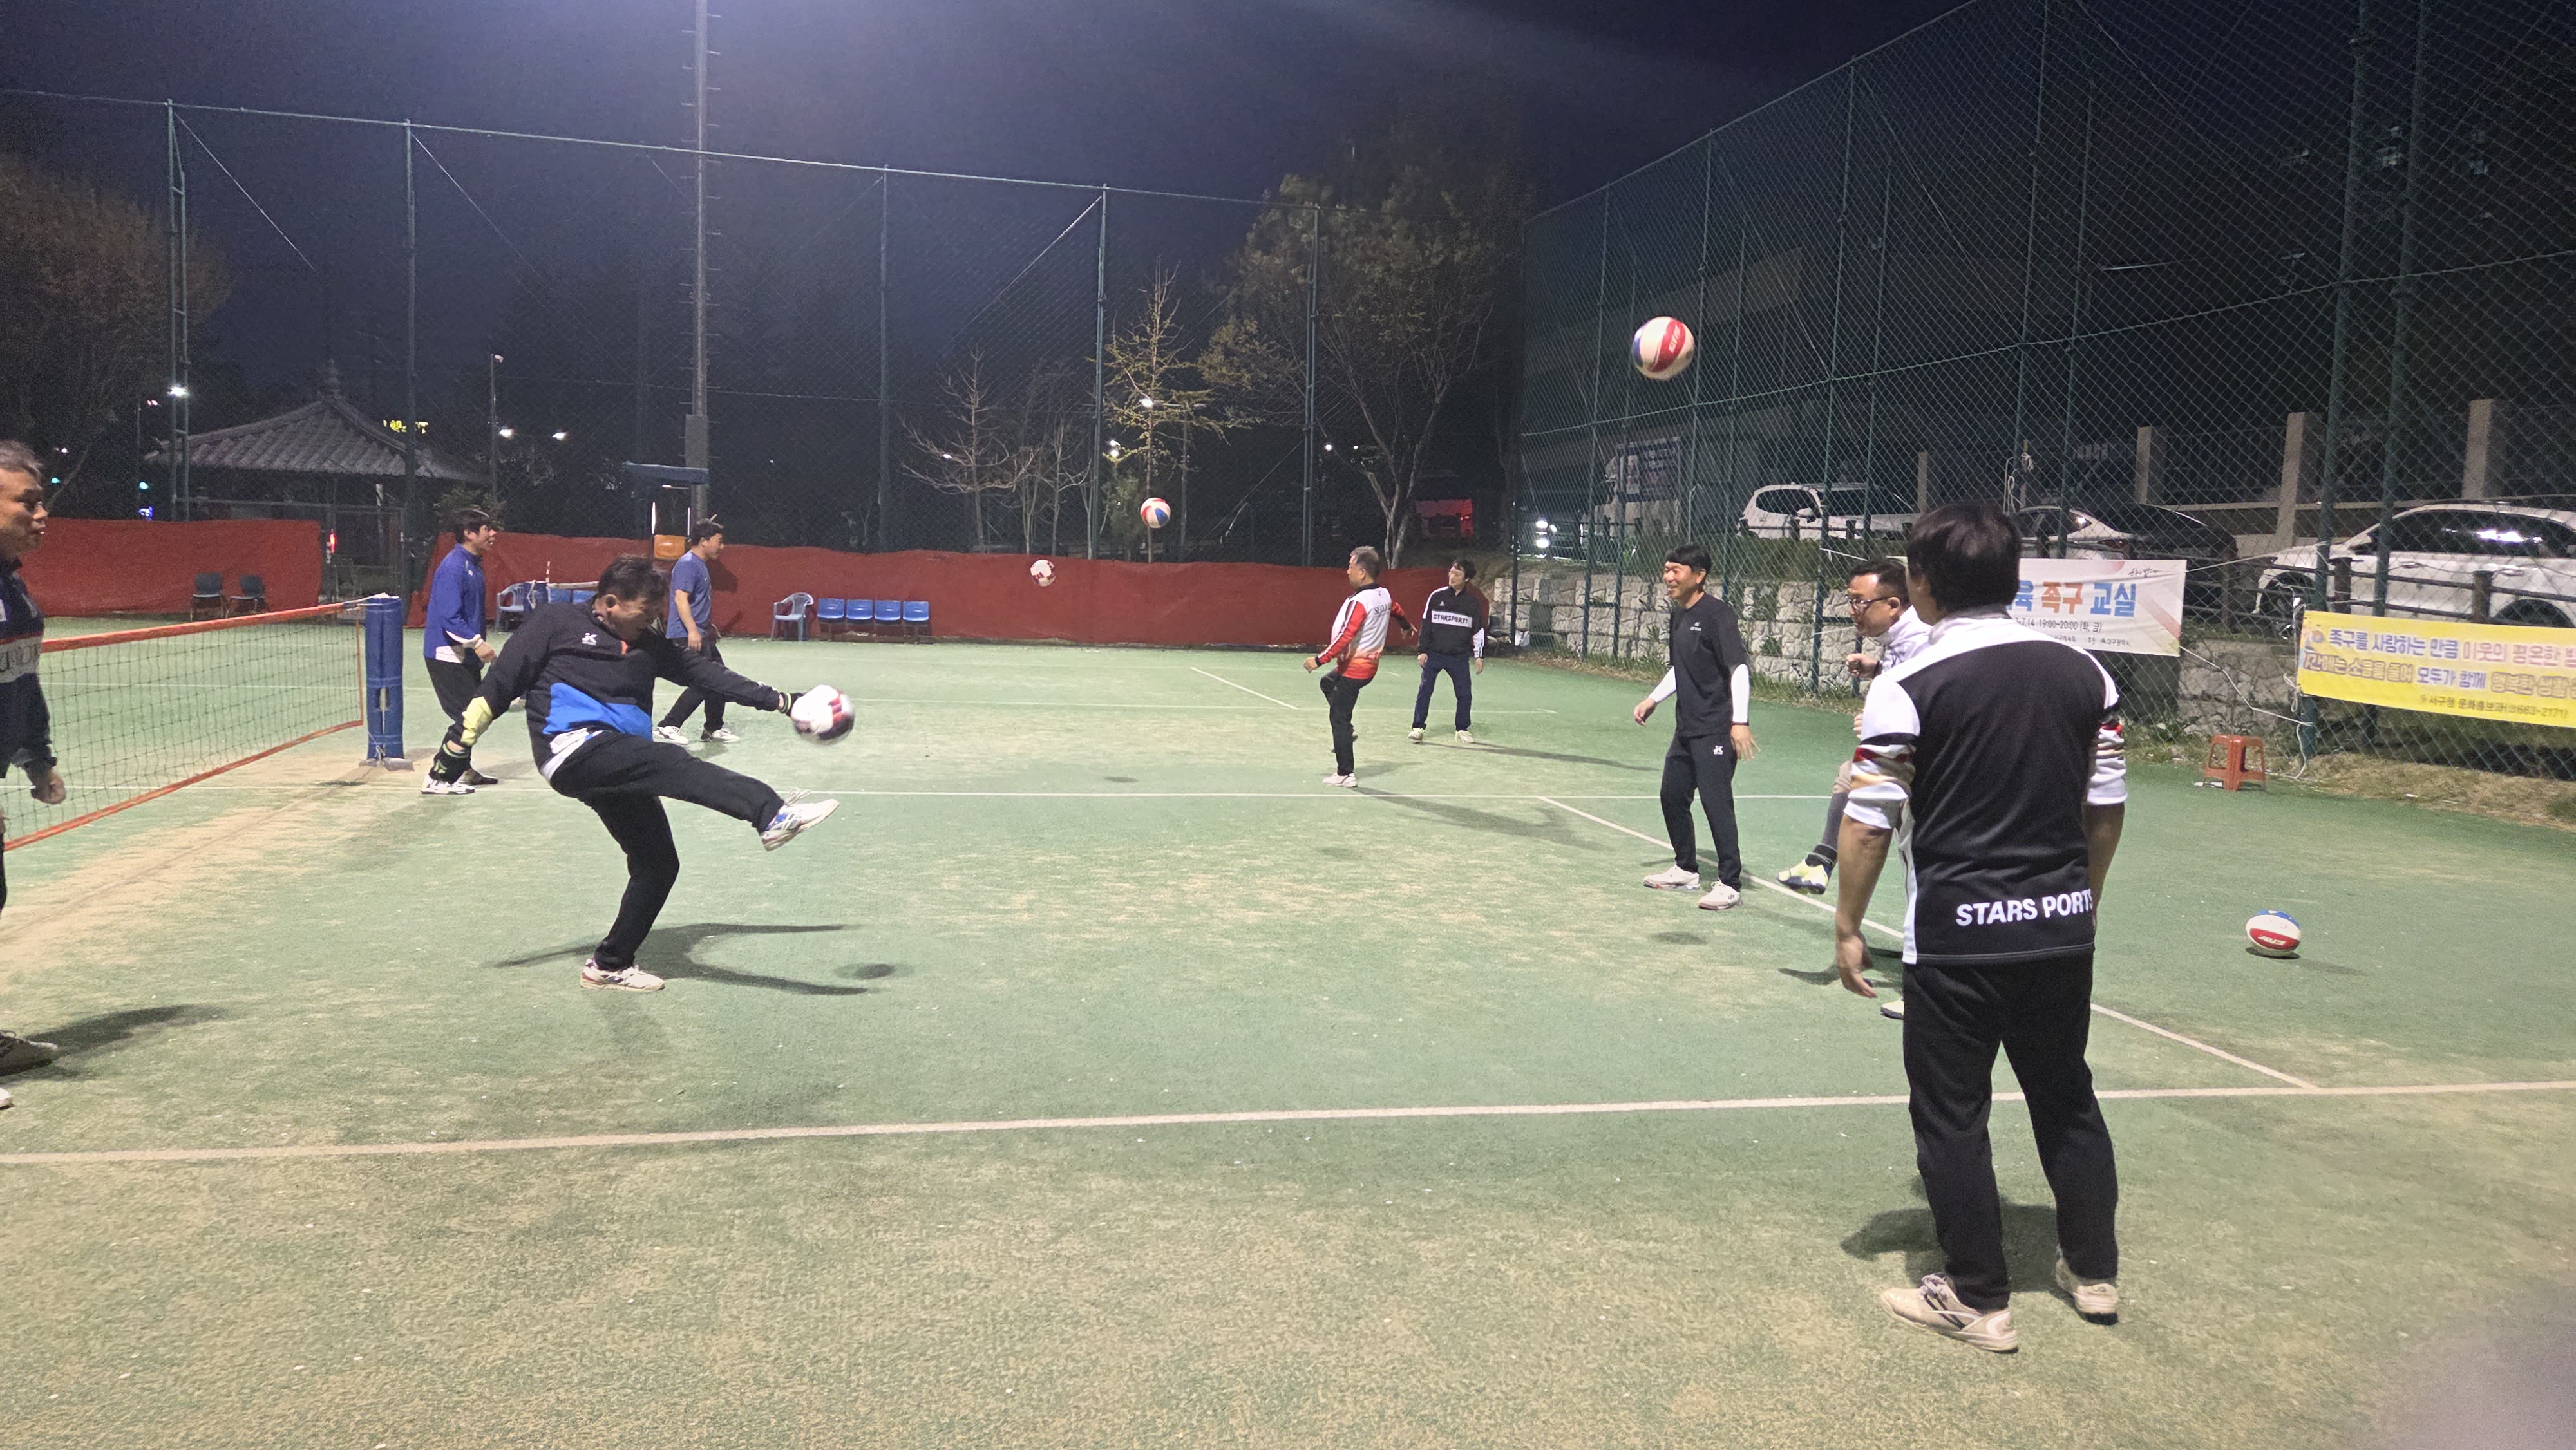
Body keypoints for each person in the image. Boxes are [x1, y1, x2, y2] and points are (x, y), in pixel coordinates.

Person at [1831, 502, 2126, 1353]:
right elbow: (2105, 809)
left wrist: (1847, 923)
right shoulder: (2087, 674)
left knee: (1952, 1115)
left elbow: (1869, 822)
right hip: (2061, 930)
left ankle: (1976, 1297)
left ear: (1921, 583)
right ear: (2015, 578)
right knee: (2067, 1097)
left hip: (1957, 940)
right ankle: (2094, 1274)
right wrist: (2079, 900)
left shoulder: (1906, 684)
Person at [427, 555, 839, 992]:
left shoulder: (646, 642)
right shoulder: (555, 622)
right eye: (644, 613)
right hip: (571, 748)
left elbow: (705, 674)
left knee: (658, 864)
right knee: (670, 761)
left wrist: (783, 702)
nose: (651, 623)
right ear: (609, 602)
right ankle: (770, 813)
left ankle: (610, 964)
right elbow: (500, 684)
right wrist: (456, 747)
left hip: (620, 759)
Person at [1778, 557, 1931, 894]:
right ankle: (1821, 860)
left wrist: (1888, 725)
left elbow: (1936, 699)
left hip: (1932, 767)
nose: (1851, 610)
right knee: (1852, 773)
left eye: (1859, 601)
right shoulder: (1900, 636)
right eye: (1850, 599)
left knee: (1922, 859)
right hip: (1909, 759)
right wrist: (1877, 669)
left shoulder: (1920, 641)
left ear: (1893, 605)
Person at [1633, 543, 1756, 910]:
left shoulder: (1718, 615)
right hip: (1686, 727)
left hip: (1716, 727)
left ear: (1699, 576)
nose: (1668, 577)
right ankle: (1686, 868)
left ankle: (1730, 883)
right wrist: (1653, 699)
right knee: (1672, 795)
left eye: (1676, 570)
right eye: (1666, 569)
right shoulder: (1678, 616)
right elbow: (1680, 668)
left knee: (1716, 803)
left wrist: (1739, 722)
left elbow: (1738, 668)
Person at [0, 441, 66, 1105]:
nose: (42, 515)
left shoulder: (11, 585)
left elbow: (20, 679)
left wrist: (38, 758)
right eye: (28, 502)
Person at [1302, 545, 1410, 789]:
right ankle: (1347, 733)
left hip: (1355, 669)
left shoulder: (1361, 601)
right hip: (1365, 667)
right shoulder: (1382, 594)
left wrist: (1319, 660)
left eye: (1351, 567)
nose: (1347, 571)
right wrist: (1405, 624)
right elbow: (1395, 608)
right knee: (1327, 683)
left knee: (1338, 717)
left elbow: (1345, 636)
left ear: (1362, 572)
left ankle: (1345, 773)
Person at [421, 507, 503, 795]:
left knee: (473, 714)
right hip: (447, 654)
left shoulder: (473, 564)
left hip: (463, 654)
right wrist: (478, 644)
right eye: (486, 529)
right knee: (468, 717)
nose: (493, 534)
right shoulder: (454, 567)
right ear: (469, 534)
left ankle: (463, 770)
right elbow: (449, 618)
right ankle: (438, 777)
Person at [655, 520, 739, 745]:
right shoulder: (688, 564)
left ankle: (713, 728)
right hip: (687, 635)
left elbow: (695, 602)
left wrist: (707, 626)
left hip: (700, 633)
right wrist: (692, 630)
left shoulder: (699, 565)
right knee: (703, 682)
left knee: (718, 677)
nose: (722, 547)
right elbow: (680, 598)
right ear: (704, 541)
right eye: (719, 541)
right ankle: (668, 725)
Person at [1409, 556, 1488, 745]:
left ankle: (1462, 729)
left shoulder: (1473, 603)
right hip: (1434, 654)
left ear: (1467, 579)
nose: (1452, 577)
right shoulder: (1436, 597)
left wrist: (1479, 656)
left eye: (1457, 574)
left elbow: (1478, 630)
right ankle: (1418, 728)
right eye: (1451, 572)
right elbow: (1426, 624)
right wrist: (1422, 650)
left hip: (1459, 657)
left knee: (1465, 694)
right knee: (1425, 690)